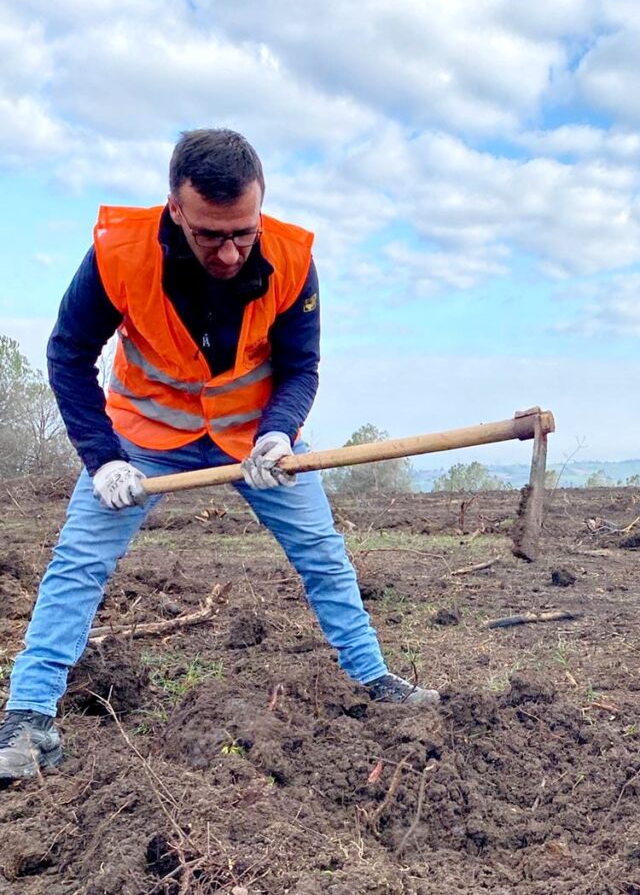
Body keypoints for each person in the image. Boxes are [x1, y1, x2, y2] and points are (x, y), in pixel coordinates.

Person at [0, 129, 438, 782]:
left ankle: (372, 676)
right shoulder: (118, 254)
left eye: (243, 230)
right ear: (175, 208)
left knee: (322, 551)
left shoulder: (291, 259)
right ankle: (27, 715)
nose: (231, 251)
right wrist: (102, 460)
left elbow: (301, 366)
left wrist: (280, 431)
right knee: (79, 560)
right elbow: (67, 354)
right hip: (140, 438)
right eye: (211, 234)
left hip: (253, 439)